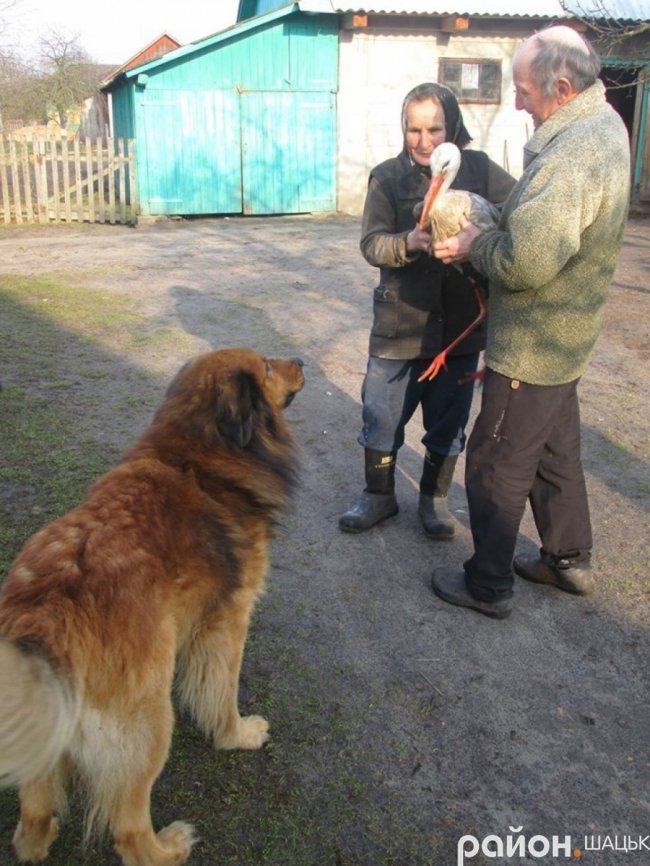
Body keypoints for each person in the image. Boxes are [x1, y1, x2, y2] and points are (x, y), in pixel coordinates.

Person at [430, 26, 631, 618]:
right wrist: (492, 217)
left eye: (522, 89)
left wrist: (473, 245)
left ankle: (487, 583)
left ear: (562, 89)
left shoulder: (573, 156)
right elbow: (541, 225)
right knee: (553, 451)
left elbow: (526, 261)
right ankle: (568, 558)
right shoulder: (602, 125)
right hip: (566, 338)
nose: (516, 99)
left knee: (496, 461)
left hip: (536, 341)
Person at [339, 82, 515, 538]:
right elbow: (371, 243)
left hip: (458, 326)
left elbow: (519, 213)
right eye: (413, 129)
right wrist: (407, 243)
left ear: (452, 125)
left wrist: (483, 246)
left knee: (449, 418)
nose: (423, 141)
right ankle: (378, 495)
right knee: (380, 414)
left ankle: (434, 500)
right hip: (400, 324)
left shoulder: (479, 170)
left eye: (434, 129)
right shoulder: (387, 177)